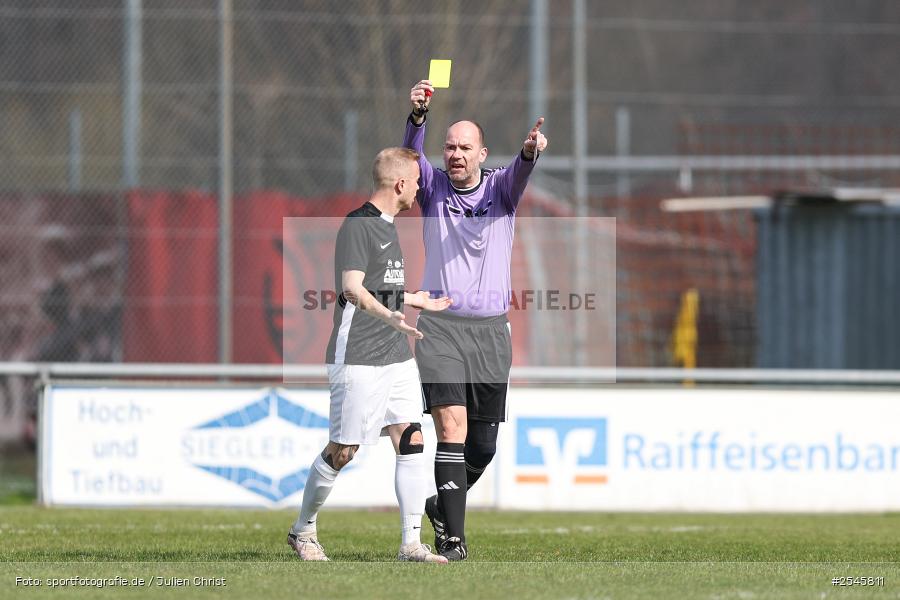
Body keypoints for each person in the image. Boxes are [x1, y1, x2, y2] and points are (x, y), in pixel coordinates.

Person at [403, 80, 548, 560]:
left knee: (482, 448)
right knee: (451, 429)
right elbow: (409, 158)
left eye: (465, 147)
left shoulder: (501, 190)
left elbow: (521, 174)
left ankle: (442, 506)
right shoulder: (432, 190)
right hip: (441, 331)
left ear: (483, 153)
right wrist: (419, 119)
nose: (456, 153)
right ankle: (453, 539)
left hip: (490, 334)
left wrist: (529, 153)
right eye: (449, 146)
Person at [287, 147, 452, 563]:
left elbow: (383, 287)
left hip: (395, 355)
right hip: (358, 354)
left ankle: (411, 544)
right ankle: (303, 530)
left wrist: (414, 300)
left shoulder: (389, 226)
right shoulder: (359, 225)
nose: (419, 188)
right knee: (344, 450)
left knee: (411, 437)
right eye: (415, 181)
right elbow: (352, 288)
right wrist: (392, 318)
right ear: (399, 184)